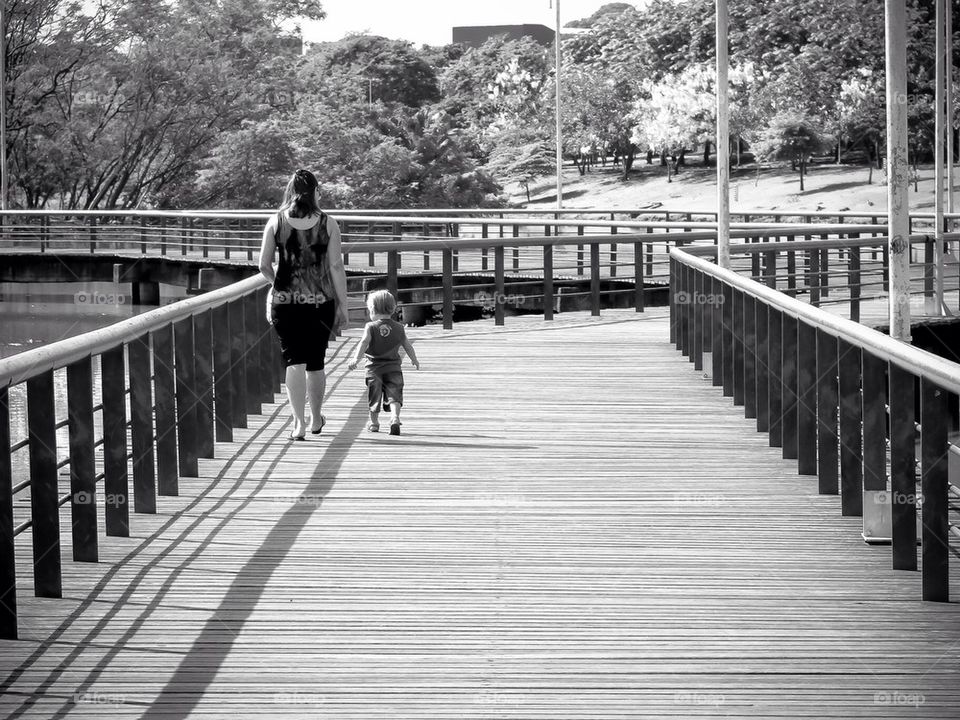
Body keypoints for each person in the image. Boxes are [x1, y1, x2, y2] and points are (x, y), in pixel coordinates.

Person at [258, 169, 349, 441]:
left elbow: (263, 265)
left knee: (293, 361)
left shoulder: (275, 222)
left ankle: (297, 424)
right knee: (316, 362)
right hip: (320, 301)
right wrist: (343, 304)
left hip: (284, 302)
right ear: (315, 192)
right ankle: (315, 418)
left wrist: (280, 284)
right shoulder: (328, 224)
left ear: (290, 191)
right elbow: (336, 267)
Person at [347, 290, 420, 435]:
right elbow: (407, 345)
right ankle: (394, 417)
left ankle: (374, 423)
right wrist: (414, 359)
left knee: (374, 397)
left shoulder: (370, 327)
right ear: (393, 309)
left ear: (372, 310)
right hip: (394, 369)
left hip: (374, 369)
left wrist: (356, 358)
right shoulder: (399, 328)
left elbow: (363, 343)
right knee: (394, 395)